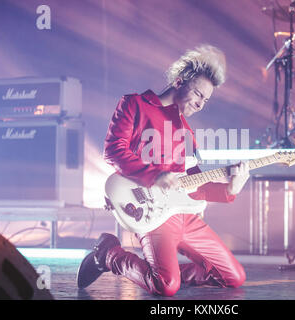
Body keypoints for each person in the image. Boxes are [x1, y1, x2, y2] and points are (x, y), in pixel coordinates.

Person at [77, 44, 250, 296]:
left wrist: (230, 190)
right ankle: (108, 254)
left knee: (234, 277)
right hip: (152, 214)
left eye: (206, 100)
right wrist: (155, 175)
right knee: (166, 286)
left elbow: (195, 186)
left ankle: (170, 272)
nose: (201, 104)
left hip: (185, 215)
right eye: (198, 94)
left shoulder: (188, 133)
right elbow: (114, 150)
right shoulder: (135, 104)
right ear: (180, 81)